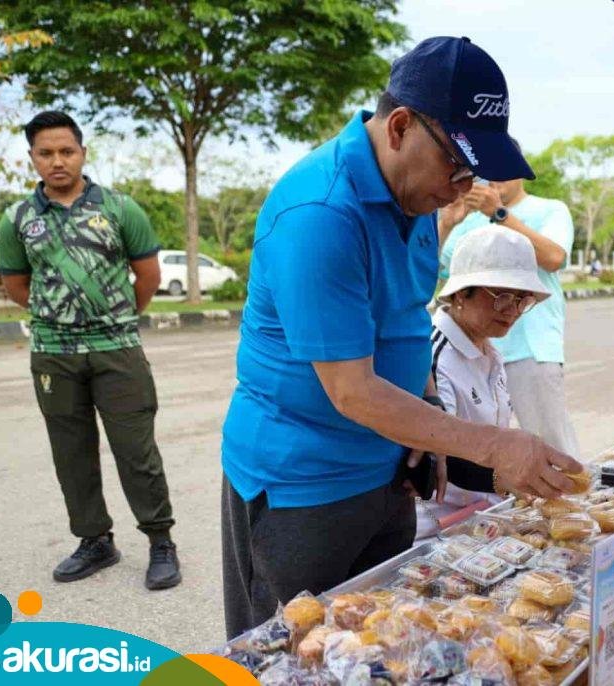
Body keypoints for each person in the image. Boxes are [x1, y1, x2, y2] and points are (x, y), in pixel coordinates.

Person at [220, 36, 583, 640]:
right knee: (292, 653)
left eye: (474, 172)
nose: (461, 187)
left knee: (381, 647)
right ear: (398, 128)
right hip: (303, 488)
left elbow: (409, 320)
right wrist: (491, 445)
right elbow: (353, 392)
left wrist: (432, 409)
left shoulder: (415, 201)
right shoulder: (321, 212)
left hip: (387, 470)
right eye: (456, 166)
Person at [0, 111, 181, 590]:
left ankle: (160, 541)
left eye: (66, 151)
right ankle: (96, 540)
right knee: (71, 453)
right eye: (46, 153)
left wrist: (112, 318)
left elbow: (148, 277)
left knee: (136, 452)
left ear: (82, 152)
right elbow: (16, 284)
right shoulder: (18, 219)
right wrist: (58, 315)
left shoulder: (120, 209)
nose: (57, 161)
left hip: (116, 349)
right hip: (53, 354)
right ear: (32, 158)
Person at [414, 225, 551, 540]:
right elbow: (441, 453)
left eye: (522, 300)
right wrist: (510, 478)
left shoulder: (491, 351)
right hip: (439, 525)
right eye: (502, 297)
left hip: (484, 515)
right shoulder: (434, 353)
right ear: (463, 293)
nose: (513, 312)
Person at [438, 164, 580, 458]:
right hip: (473, 350)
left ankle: (571, 501)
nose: (496, 175)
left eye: (503, 167)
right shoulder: (467, 221)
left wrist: (499, 214)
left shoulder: (549, 210)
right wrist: (447, 223)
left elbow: (554, 257)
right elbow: (433, 269)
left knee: (548, 445)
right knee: (477, 445)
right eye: (489, 168)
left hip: (529, 349)